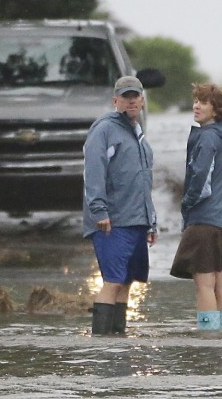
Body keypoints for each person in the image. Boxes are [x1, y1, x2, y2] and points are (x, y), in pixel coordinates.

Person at [82, 75, 158, 336]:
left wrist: (151, 221)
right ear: (116, 101)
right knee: (112, 281)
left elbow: (144, 180)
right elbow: (94, 172)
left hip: (136, 221)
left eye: (135, 96)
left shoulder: (138, 134)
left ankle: (118, 341)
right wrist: (99, 211)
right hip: (112, 221)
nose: (131, 101)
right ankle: (101, 343)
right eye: (125, 97)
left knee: (126, 282)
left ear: (142, 101)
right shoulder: (104, 129)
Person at [170, 83, 222, 331]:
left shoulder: (207, 137)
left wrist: (186, 205)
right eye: (195, 101)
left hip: (205, 221)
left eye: (203, 102)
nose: (196, 106)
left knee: (204, 284)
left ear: (217, 109)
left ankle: (208, 337)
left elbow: (201, 180)